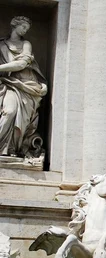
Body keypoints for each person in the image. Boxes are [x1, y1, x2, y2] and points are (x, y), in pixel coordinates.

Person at [0, 16, 47, 157]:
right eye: (23, 27)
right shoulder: (2, 45)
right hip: (9, 84)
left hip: (26, 85)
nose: (25, 31)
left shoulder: (26, 44)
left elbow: (21, 64)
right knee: (9, 111)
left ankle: (11, 149)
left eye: (27, 29)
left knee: (21, 119)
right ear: (15, 25)